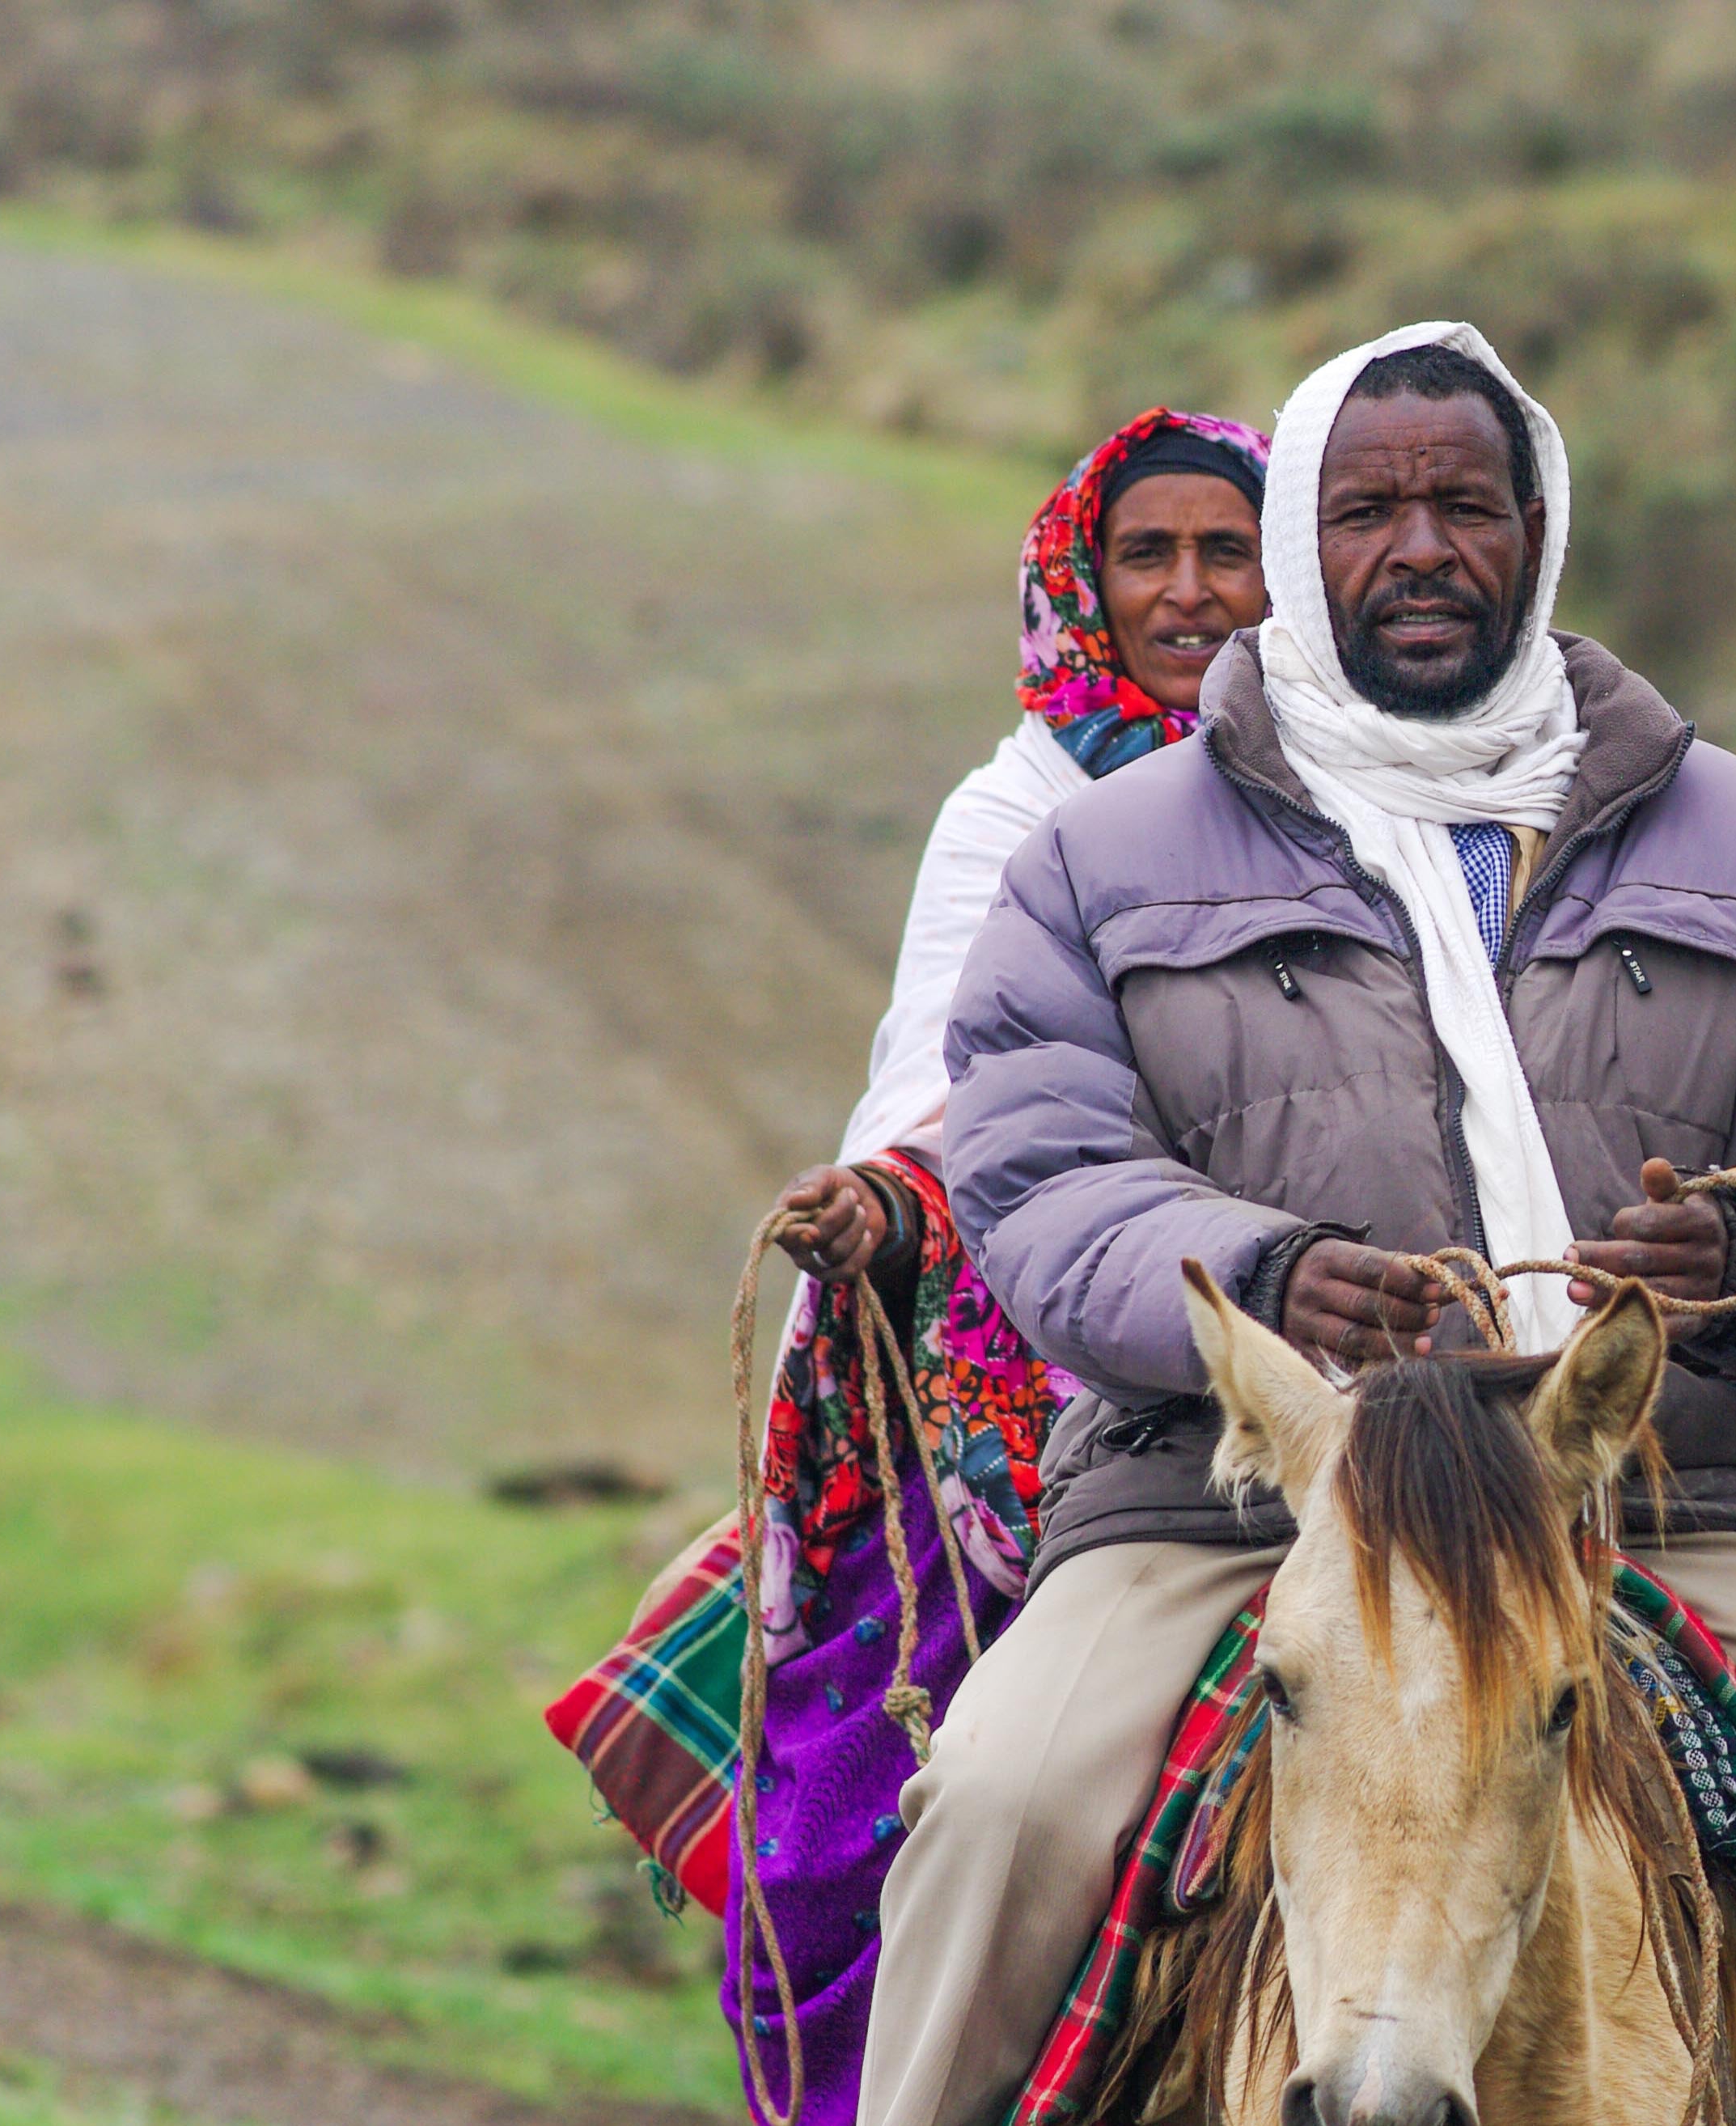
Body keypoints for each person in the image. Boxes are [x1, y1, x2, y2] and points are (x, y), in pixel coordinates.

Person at [859, 324, 1736, 2126]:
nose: (1420, 547)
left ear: (1538, 531)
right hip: (1226, 1507)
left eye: (1465, 503)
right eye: (1367, 508)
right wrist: (1269, 1278)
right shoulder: (1106, 851)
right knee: (998, 1813)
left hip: (1667, 1500)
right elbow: (1035, 1172)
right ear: (1301, 543)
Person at [545, 408, 1269, 2126]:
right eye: (1143, 556)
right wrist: (888, 1207)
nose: (1185, 592)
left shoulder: (1354, 799)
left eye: (1225, 553)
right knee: (860, 1842)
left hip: (1311, 1355)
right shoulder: (1013, 808)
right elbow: (954, 1087)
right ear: (1077, 586)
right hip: (1019, 1370)